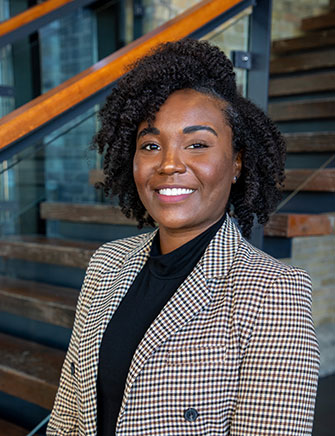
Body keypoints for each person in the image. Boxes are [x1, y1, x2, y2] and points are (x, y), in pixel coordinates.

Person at [47, 39, 320, 436]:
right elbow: (68, 412)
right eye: (151, 145)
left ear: (236, 164)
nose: (169, 164)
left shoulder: (274, 293)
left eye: (197, 144)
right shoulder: (106, 263)